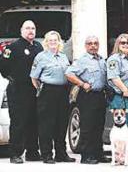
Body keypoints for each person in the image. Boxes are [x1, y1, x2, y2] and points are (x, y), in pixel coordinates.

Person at [0, 20, 42, 163]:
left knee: (33, 121)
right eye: (27, 28)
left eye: (33, 28)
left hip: (34, 90)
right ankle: (15, 153)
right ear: (21, 30)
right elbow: (3, 66)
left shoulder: (38, 46)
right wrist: (12, 78)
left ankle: (32, 152)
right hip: (18, 90)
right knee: (19, 122)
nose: (31, 31)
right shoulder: (13, 47)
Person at [30, 30, 73, 164]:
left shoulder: (63, 56)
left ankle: (61, 153)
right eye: (50, 40)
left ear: (59, 42)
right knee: (46, 125)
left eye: (55, 40)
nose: (53, 42)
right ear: (46, 42)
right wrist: (41, 89)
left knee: (61, 123)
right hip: (47, 91)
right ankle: (47, 154)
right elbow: (34, 77)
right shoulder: (41, 57)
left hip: (63, 91)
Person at [65, 36, 108, 164]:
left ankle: (98, 153)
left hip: (100, 95)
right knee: (87, 126)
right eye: (90, 43)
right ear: (86, 46)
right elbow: (68, 73)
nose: (93, 46)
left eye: (95, 43)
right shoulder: (82, 60)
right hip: (87, 95)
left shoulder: (101, 60)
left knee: (99, 125)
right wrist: (82, 84)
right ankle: (86, 155)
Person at [106, 33, 128, 129]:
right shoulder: (114, 59)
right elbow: (114, 77)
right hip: (119, 98)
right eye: (122, 42)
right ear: (117, 44)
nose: (126, 45)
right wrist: (125, 90)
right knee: (121, 127)